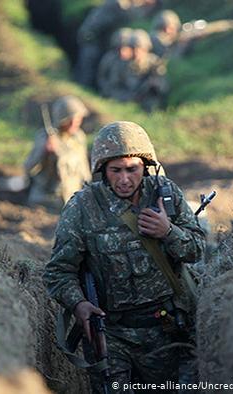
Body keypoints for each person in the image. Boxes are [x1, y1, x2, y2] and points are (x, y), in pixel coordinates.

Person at [43, 121, 205, 393]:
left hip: (167, 331)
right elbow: (58, 272)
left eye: (133, 169)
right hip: (112, 334)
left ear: (146, 167)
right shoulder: (83, 207)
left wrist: (169, 232)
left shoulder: (166, 196)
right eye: (116, 170)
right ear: (102, 170)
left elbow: (197, 250)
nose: (125, 179)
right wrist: (79, 304)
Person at [24, 96, 92, 207]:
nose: (74, 123)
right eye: (70, 119)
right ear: (61, 119)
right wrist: (44, 152)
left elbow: (84, 170)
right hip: (47, 200)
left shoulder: (79, 138)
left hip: (72, 199)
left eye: (77, 119)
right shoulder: (45, 138)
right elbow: (29, 168)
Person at [74, 0, 158, 89]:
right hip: (92, 38)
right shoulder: (117, 5)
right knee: (88, 67)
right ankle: (82, 86)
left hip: (96, 37)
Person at [97, 28, 134, 100]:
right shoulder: (109, 58)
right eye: (119, 47)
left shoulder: (133, 61)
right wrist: (106, 89)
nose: (122, 51)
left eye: (125, 47)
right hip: (110, 91)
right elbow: (101, 76)